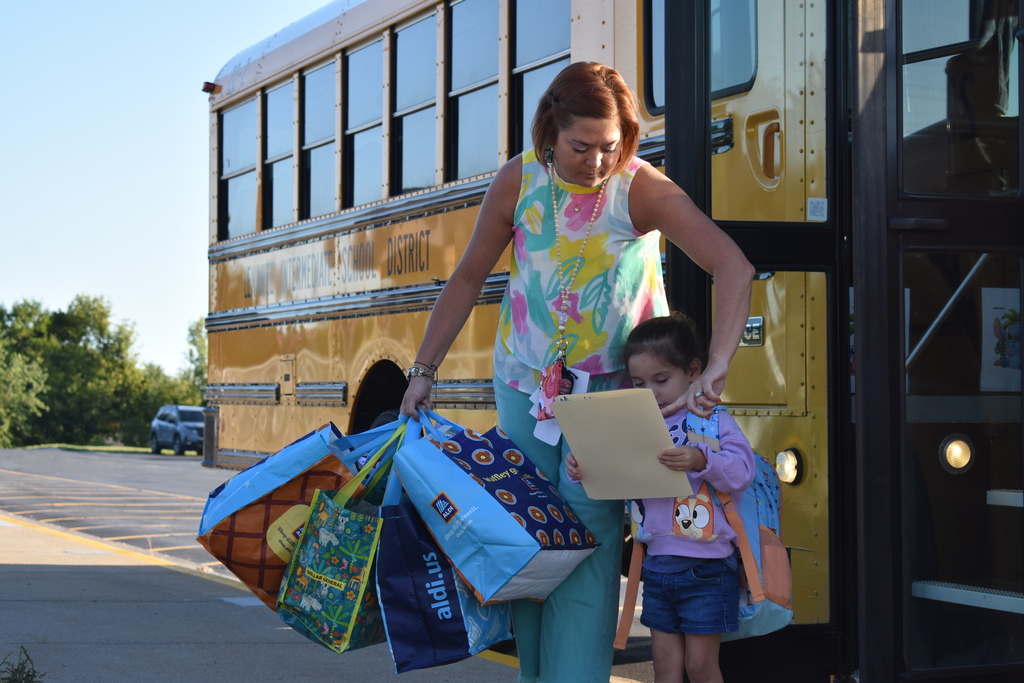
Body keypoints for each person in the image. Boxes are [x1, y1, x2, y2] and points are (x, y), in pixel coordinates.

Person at [399, 62, 753, 683]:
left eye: (609, 147)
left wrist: (717, 362)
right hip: (523, 390)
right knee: (529, 548)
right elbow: (469, 275)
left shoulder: (639, 188)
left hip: (612, 404)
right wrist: (424, 368)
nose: (595, 162)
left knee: (588, 556)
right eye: (580, 146)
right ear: (550, 133)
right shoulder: (518, 181)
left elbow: (734, 266)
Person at [566, 312, 756, 683]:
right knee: (665, 670)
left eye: (662, 379)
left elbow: (742, 471)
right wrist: (582, 467)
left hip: (708, 568)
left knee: (701, 667)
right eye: (639, 382)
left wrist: (702, 459)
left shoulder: (712, 420)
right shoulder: (635, 425)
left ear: (694, 370)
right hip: (656, 567)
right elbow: (613, 475)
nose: (651, 391)